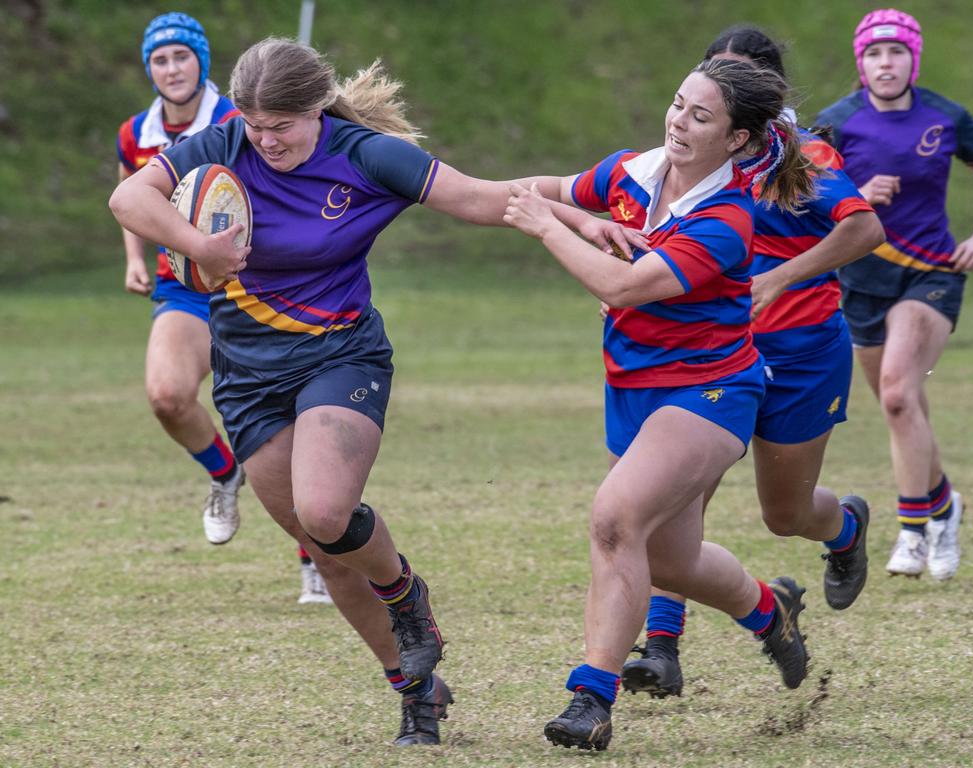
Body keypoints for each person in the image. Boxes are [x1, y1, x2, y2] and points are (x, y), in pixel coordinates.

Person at [109, 37, 591, 746]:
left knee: (327, 510)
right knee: (325, 550)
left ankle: (404, 594)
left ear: (316, 111)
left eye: (281, 125)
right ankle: (416, 695)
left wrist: (590, 205)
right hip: (247, 378)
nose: (265, 140)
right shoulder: (223, 143)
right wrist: (198, 243)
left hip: (341, 354)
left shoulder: (366, 156)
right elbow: (128, 196)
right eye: (253, 124)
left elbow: (487, 198)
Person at [504, 57, 821, 752]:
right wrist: (412, 179)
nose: (679, 121)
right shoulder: (629, 172)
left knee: (615, 521)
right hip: (633, 391)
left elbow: (621, 289)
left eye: (700, 116)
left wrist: (550, 226)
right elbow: (542, 191)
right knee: (672, 561)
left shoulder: (728, 219)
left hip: (710, 391)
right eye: (679, 104)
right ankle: (772, 613)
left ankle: (591, 698)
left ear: (737, 139)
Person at [620, 26, 885, 701]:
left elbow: (865, 228)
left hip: (799, 354)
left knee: (785, 514)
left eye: (734, 88)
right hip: (716, 357)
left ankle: (846, 527)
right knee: (672, 496)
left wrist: (781, 278)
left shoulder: (805, 158)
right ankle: (662, 648)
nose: (710, 104)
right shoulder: (683, 163)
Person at [117, 12, 327, 604]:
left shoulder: (242, 120)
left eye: (181, 56)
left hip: (255, 286)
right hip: (185, 287)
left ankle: (318, 556)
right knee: (166, 395)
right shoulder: (136, 131)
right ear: (149, 69)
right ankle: (222, 470)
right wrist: (135, 256)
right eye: (159, 59)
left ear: (201, 61)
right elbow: (133, 190)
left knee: (284, 424)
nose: (171, 68)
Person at [815, 9, 973, 581]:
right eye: (874, 54)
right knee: (903, 406)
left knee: (899, 393)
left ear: (913, 59)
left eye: (896, 52)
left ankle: (913, 530)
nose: (885, 63)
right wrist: (853, 191)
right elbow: (804, 194)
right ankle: (947, 506)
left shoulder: (946, 117)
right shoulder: (835, 122)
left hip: (932, 274)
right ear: (861, 61)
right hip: (860, 279)